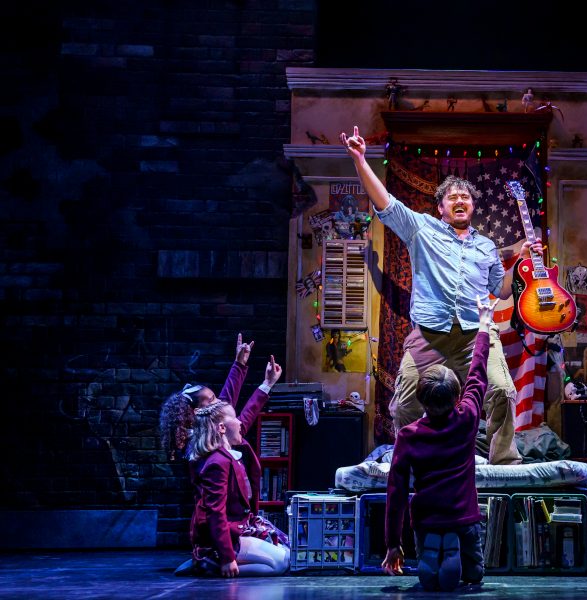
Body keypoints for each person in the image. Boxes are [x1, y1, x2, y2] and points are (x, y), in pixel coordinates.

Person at [339, 125, 540, 465]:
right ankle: (414, 459)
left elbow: (500, 290)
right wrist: (360, 159)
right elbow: (385, 202)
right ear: (441, 208)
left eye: (466, 197)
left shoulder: (486, 246)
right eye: (453, 197)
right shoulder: (422, 228)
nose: (460, 201)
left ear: (473, 207)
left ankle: (504, 463)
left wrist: (519, 262)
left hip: (475, 337)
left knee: (503, 391)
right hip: (430, 335)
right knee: (404, 403)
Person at [381, 296, 494, 591]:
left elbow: (396, 492)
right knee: (474, 575)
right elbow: (478, 375)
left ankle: (433, 550)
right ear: (457, 398)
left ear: (420, 400)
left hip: (426, 519)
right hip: (463, 516)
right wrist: (483, 327)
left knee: (430, 547)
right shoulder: (467, 418)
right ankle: (460, 557)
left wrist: (393, 544)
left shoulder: (408, 436)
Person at [188, 355, 290, 577]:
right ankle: (213, 563)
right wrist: (227, 558)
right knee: (281, 562)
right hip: (227, 531)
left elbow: (240, 414)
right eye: (211, 400)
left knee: (289, 552)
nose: (241, 422)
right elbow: (215, 512)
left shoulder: (228, 447)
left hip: (241, 523)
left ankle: (221, 558)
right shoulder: (215, 459)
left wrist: (263, 381)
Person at [160, 333, 255, 461]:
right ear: (198, 411)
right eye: (212, 400)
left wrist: (239, 364)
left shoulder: (204, 434)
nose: (220, 402)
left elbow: (226, 401)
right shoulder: (203, 445)